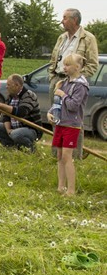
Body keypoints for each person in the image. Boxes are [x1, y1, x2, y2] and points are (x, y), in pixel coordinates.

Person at [47, 9, 98, 159]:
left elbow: (93, 64)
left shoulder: (88, 38)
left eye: (65, 18)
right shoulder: (62, 37)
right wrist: (53, 77)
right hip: (58, 80)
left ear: (74, 20)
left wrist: (77, 78)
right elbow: (53, 59)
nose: (61, 21)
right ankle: (57, 155)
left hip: (74, 83)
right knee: (55, 116)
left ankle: (75, 156)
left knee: (74, 120)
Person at [47, 54, 89, 196]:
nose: (64, 68)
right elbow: (57, 103)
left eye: (67, 65)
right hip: (60, 122)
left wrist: (63, 94)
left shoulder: (81, 86)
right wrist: (50, 112)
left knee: (67, 156)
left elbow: (73, 105)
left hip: (72, 124)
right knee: (59, 155)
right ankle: (60, 187)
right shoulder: (64, 82)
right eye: (64, 65)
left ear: (77, 67)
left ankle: (71, 190)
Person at [0, 74, 42, 151]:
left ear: (17, 85)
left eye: (8, 85)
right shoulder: (10, 97)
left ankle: (31, 150)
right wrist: (8, 129)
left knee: (16, 134)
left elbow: (21, 112)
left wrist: (0, 105)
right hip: (14, 128)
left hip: (31, 129)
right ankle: (12, 148)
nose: (6, 87)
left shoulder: (29, 95)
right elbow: (6, 116)